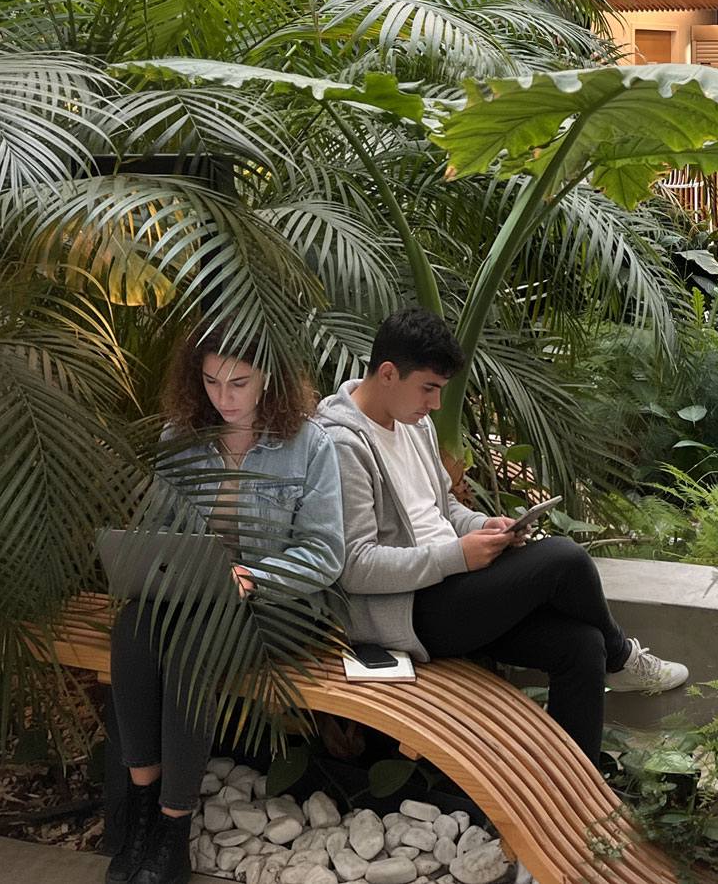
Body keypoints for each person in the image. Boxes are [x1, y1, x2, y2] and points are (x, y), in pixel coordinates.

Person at [313, 308, 688, 764]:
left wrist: (482, 527)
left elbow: (441, 508)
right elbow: (354, 566)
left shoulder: (414, 424)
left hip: (456, 590)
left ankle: (574, 787)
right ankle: (623, 657)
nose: (435, 404)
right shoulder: (342, 444)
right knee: (565, 558)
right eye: (428, 388)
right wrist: (457, 556)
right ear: (388, 373)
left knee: (581, 646)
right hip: (409, 611)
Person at [107, 335, 344, 884]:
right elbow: (159, 530)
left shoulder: (309, 444)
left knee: (192, 648)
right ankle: (141, 812)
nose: (224, 397)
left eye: (239, 383)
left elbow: (324, 554)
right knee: (132, 630)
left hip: (276, 603)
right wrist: (154, 563)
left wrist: (252, 578)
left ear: (269, 378)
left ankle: (172, 832)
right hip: (193, 594)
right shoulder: (180, 438)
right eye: (211, 382)